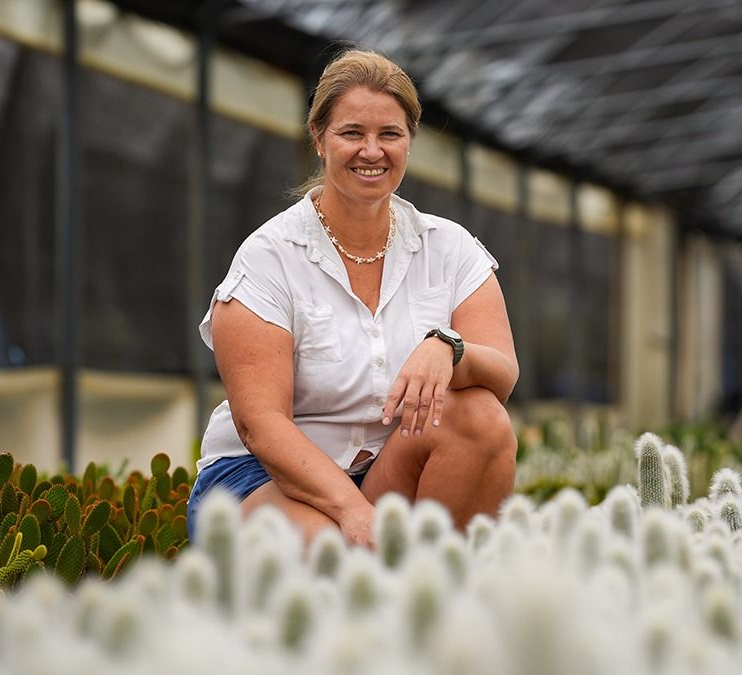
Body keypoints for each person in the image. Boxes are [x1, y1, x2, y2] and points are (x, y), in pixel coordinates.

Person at [186, 49, 519, 548]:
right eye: (352, 133)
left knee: (482, 419)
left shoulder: (448, 247)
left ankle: (437, 598)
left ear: (409, 142)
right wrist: (353, 512)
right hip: (266, 478)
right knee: (337, 565)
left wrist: (448, 349)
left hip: (387, 469)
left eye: (390, 134)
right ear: (319, 139)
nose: (372, 151)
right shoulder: (269, 256)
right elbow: (261, 424)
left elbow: (503, 373)